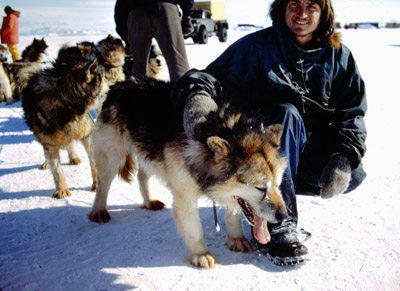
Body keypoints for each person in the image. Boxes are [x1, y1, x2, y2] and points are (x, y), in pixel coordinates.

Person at [172, 0, 367, 266]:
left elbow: (352, 112)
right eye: (294, 4)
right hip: (263, 155)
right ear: (282, 9)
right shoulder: (257, 47)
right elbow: (209, 79)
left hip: (305, 153)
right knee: (286, 114)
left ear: (323, 13)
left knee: (353, 175)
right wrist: (197, 97)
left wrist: (344, 155)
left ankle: (269, 197)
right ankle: (281, 228)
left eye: (311, 6)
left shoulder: (338, 56)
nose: (301, 13)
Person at [114, 0, 193, 81]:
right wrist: (187, 15)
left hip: (137, 13)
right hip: (165, 9)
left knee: (139, 71)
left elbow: (119, 10)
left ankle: (139, 91)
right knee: (179, 67)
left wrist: (127, 39)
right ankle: (183, 91)